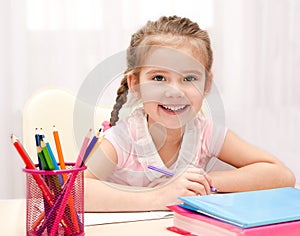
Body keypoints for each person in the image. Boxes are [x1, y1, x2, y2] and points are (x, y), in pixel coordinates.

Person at [84, 16, 295, 212]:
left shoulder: (204, 131)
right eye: (159, 78)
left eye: (189, 78)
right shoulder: (122, 140)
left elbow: (281, 174)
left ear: (207, 84)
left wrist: (202, 181)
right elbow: (75, 192)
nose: (175, 91)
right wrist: (158, 197)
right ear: (136, 85)